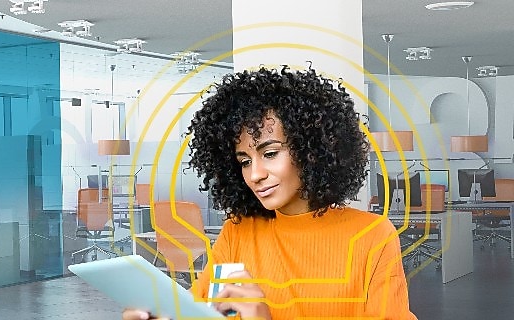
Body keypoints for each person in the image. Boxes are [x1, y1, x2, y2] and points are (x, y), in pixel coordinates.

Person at [122, 67, 416, 319]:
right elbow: (203, 311)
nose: (255, 174)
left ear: (312, 150)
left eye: (271, 153)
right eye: (245, 161)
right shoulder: (237, 232)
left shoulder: (371, 235)